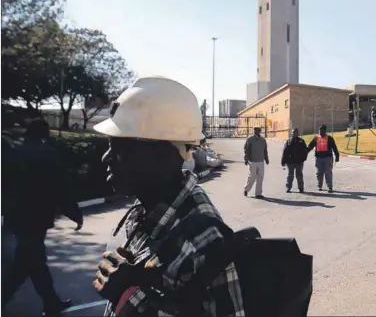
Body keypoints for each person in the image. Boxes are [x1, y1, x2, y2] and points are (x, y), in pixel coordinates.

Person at [91, 76, 245, 317]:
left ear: (163, 154)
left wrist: (136, 292)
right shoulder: (149, 206)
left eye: (119, 148)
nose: (106, 158)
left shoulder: (203, 240)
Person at [2, 118, 83, 317]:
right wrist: (74, 213)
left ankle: (52, 303)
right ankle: (49, 303)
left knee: (32, 261)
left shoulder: (14, 154)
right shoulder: (51, 156)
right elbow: (62, 190)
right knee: (27, 264)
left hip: (16, 217)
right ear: (45, 135)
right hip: (38, 218)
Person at [307, 125, 340, 193]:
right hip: (318, 158)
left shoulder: (330, 138)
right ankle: (320, 185)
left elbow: (334, 148)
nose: (320, 132)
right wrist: (304, 153)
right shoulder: (316, 138)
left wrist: (337, 156)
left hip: (328, 158)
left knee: (328, 173)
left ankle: (330, 187)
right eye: (319, 130)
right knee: (319, 173)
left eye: (321, 130)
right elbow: (310, 147)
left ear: (325, 131)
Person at [243, 126, 269, 199]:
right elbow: (246, 150)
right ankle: (246, 189)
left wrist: (266, 159)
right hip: (252, 161)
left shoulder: (262, 140)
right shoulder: (250, 139)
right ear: (254, 131)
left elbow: (265, 150)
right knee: (252, 176)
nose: (257, 131)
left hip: (261, 161)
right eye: (256, 130)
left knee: (260, 177)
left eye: (259, 130)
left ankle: (258, 193)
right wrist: (246, 159)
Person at [281, 128, 308, 193]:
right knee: (290, 175)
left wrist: (303, 159)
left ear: (298, 133)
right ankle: (288, 188)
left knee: (299, 175)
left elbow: (305, 151)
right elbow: (285, 151)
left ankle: (301, 188)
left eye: (295, 132)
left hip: (299, 162)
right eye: (293, 133)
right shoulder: (288, 141)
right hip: (290, 162)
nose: (294, 134)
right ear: (291, 133)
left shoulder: (301, 141)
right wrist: (283, 160)